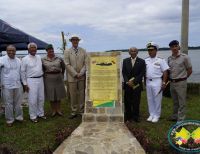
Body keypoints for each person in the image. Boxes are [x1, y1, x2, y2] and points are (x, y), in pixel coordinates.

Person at [167, 40, 192, 122]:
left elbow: (189, 70)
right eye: (172, 47)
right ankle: (174, 116)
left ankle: (181, 120)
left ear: (178, 47)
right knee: (175, 101)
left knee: (182, 102)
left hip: (181, 83)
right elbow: (169, 71)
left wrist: (183, 78)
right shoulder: (169, 58)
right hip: (172, 83)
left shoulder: (185, 57)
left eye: (175, 46)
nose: (174, 48)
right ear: (170, 48)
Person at [21, 42, 46, 123]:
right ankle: (33, 116)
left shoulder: (39, 57)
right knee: (32, 99)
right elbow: (22, 72)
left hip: (40, 79)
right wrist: (25, 84)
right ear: (28, 49)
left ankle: (40, 113)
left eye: (34, 47)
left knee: (41, 98)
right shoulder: (25, 59)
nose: (33, 49)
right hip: (31, 80)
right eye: (31, 47)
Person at [64, 35, 87, 119]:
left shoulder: (83, 51)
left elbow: (86, 63)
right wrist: (75, 74)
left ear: (78, 41)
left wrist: (81, 73)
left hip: (81, 76)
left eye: (76, 40)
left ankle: (81, 111)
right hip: (72, 77)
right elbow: (66, 64)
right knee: (73, 94)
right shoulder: (67, 51)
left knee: (81, 93)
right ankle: (73, 111)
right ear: (71, 41)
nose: (75, 41)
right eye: (73, 40)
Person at [145, 42, 169, 123]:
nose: (150, 51)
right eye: (149, 50)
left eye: (152, 50)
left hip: (157, 81)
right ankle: (151, 114)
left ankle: (157, 115)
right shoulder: (146, 60)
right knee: (150, 99)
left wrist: (164, 83)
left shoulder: (161, 60)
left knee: (157, 99)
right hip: (148, 81)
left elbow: (165, 72)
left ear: (156, 50)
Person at [0, 45, 23, 127]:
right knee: (8, 103)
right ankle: (10, 120)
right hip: (6, 85)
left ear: (15, 51)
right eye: (9, 50)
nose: (11, 52)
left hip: (18, 84)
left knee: (18, 102)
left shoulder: (19, 60)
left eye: (13, 50)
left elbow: (21, 73)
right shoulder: (1, 59)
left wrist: (23, 83)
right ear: (6, 51)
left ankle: (19, 117)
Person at [122, 47, 146, 122]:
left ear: (137, 52)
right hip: (127, 85)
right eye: (131, 51)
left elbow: (142, 73)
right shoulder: (125, 61)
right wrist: (127, 81)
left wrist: (134, 81)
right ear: (129, 53)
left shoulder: (142, 61)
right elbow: (124, 72)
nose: (133, 52)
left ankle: (136, 116)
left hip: (137, 85)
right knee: (127, 100)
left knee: (136, 101)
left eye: (134, 51)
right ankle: (128, 116)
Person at [42, 44, 66, 117]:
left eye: (52, 50)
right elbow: (42, 69)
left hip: (58, 77)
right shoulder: (43, 59)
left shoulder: (59, 58)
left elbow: (63, 67)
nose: (51, 52)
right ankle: (53, 110)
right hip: (48, 78)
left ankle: (58, 110)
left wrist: (62, 74)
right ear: (47, 51)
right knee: (51, 95)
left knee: (58, 95)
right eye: (49, 51)